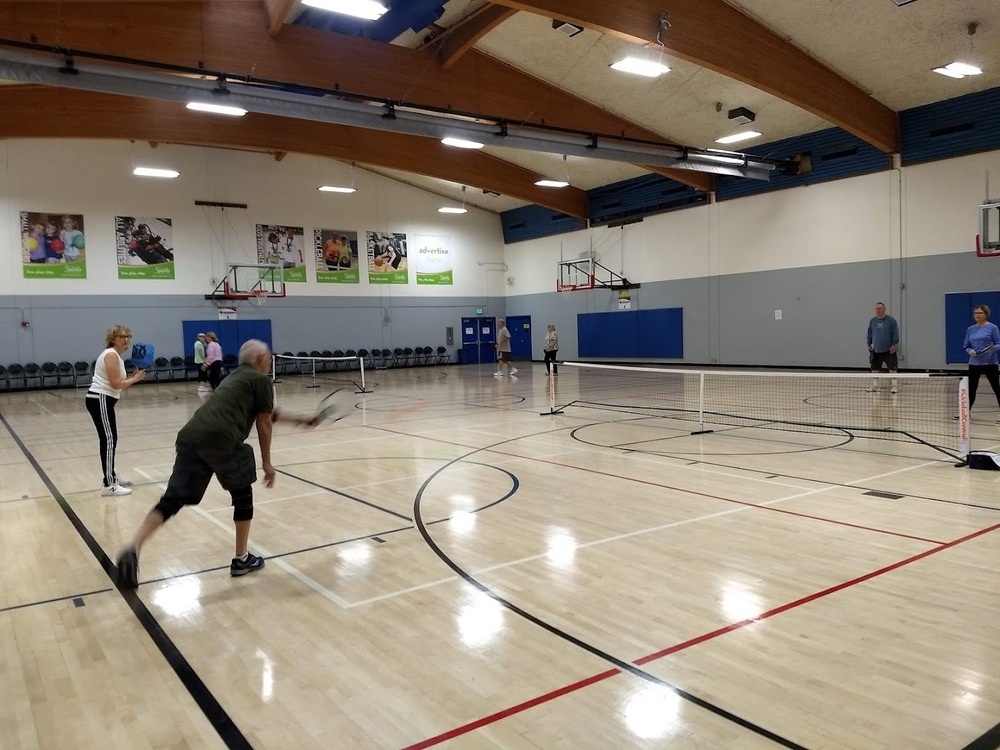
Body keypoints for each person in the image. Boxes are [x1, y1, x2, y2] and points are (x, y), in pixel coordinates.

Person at [115, 340, 316, 589]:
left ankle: (133, 548)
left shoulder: (234, 378)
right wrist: (267, 463)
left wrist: (302, 420)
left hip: (191, 435)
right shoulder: (261, 380)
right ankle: (241, 559)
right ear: (260, 359)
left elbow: (266, 412)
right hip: (222, 439)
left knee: (173, 499)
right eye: (269, 356)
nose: (271, 360)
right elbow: (263, 422)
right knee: (243, 495)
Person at [86, 325, 146, 496]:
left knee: (110, 439)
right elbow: (117, 384)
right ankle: (109, 484)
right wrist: (134, 379)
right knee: (109, 439)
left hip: (104, 400)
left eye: (128, 336)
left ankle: (110, 477)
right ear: (113, 339)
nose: (125, 339)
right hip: (100, 399)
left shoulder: (115, 356)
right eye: (121, 336)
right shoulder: (111, 355)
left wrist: (132, 377)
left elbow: (118, 381)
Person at [962, 304, 1000, 422]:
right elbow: (966, 346)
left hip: (990, 363)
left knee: (996, 389)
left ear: (986, 314)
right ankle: (966, 413)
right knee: (971, 389)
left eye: (980, 313)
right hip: (974, 364)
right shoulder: (970, 329)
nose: (977, 315)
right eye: (975, 313)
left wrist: (992, 349)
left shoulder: (992, 328)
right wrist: (971, 351)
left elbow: (999, 343)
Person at [866, 302, 900, 394]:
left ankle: (894, 387)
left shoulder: (891, 320)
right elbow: (869, 334)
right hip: (876, 350)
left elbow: (895, 333)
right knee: (874, 369)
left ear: (884, 310)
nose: (878, 310)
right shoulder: (872, 321)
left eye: (880, 308)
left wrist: (894, 344)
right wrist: (869, 344)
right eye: (876, 308)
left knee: (892, 369)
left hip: (889, 350)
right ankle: (875, 386)